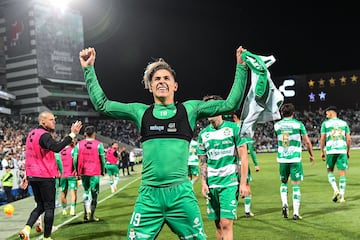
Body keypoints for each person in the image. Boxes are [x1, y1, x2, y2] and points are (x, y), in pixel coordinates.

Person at [79, 45, 250, 240]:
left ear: (175, 85)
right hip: (149, 197)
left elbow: (231, 104)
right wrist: (88, 69)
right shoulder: (140, 112)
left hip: (181, 196)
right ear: (150, 86)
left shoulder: (189, 110)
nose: (161, 81)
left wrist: (241, 67)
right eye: (156, 79)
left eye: (166, 78)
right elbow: (103, 105)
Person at [19, 111, 82, 240]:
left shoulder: (31, 134)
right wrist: (72, 134)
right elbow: (57, 147)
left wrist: (27, 174)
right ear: (43, 122)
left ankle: (26, 229)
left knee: (40, 206)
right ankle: (47, 238)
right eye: (51, 119)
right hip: (45, 176)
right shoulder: (44, 135)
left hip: (33, 176)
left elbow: (30, 156)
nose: (54, 122)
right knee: (49, 207)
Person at [197, 95, 249, 240]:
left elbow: (244, 157)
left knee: (226, 223)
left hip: (229, 182)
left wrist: (244, 183)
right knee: (218, 225)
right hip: (212, 183)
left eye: (212, 108)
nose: (209, 111)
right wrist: (203, 183)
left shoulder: (234, 129)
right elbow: (203, 161)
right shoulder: (203, 134)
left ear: (220, 109)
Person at [274, 103, 314, 220]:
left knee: (283, 183)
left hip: (282, 158)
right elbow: (307, 141)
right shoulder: (298, 125)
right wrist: (311, 155)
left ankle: (284, 203)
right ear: (293, 113)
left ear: (282, 113)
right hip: (295, 158)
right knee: (296, 185)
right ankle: (296, 213)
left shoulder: (277, 126)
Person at [73, 125, 106, 222]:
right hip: (94, 172)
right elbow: (102, 159)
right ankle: (92, 216)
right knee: (94, 194)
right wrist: (103, 170)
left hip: (83, 172)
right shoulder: (99, 144)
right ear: (94, 134)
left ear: (84, 134)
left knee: (86, 191)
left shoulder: (79, 144)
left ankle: (85, 214)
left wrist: (77, 170)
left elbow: (75, 159)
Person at [320, 106, 351, 203]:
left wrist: (322, 151)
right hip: (342, 150)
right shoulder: (344, 123)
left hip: (331, 150)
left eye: (327, 113)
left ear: (331, 113)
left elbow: (322, 138)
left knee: (330, 171)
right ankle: (342, 196)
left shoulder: (325, 124)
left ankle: (335, 189)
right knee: (342, 173)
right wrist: (348, 151)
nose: (326, 115)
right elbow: (349, 139)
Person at [232, 110, 259, 217]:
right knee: (246, 185)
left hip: (231, 163)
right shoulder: (245, 130)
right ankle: (247, 211)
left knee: (232, 187)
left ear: (234, 117)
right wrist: (256, 164)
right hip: (243, 163)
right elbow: (251, 149)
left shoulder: (229, 128)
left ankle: (232, 212)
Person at [56, 140, 78, 216]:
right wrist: (76, 170)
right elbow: (75, 161)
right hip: (71, 174)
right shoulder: (73, 150)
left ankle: (64, 209)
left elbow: (57, 162)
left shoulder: (60, 151)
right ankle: (72, 209)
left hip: (63, 175)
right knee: (73, 193)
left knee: (63, 193)